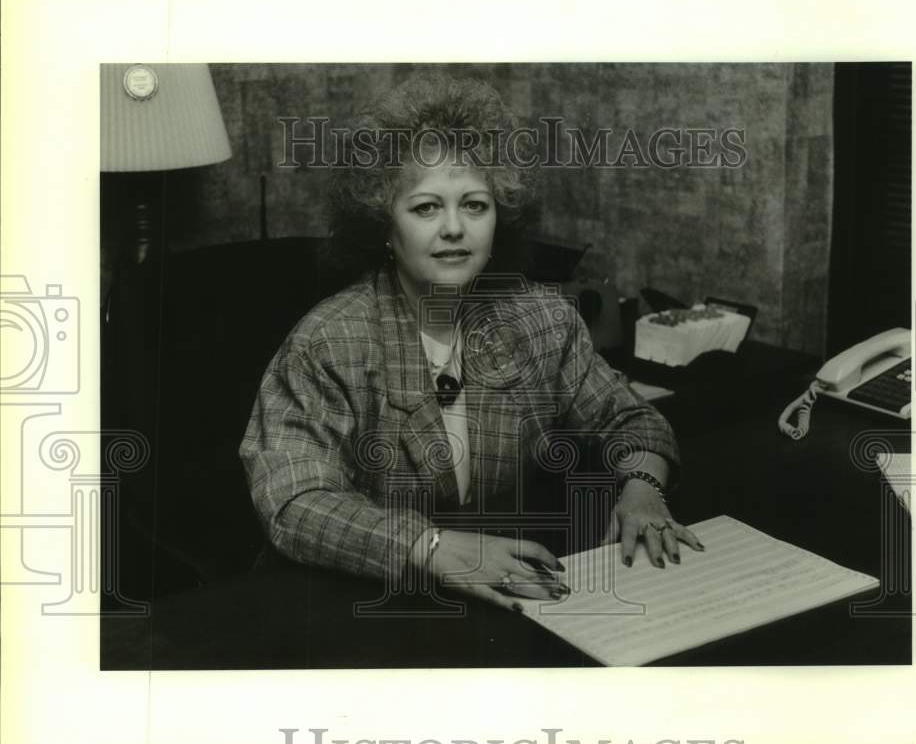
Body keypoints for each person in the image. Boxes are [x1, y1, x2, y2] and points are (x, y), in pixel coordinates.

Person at [240, 74, 702, 613]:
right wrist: (427, 546)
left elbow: (633, 420)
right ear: (384, 227)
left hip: (498, 590)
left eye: (475, 205)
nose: (455, 228)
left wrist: (643, 487)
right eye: (426, 208)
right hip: (352, 601)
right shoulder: (328, 342)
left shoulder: (540, 320)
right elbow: (295, 503)